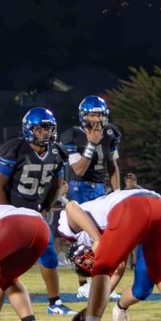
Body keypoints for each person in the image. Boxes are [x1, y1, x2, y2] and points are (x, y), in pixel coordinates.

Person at [58, 187, 161, 321]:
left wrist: (96, 239)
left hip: (131, 207)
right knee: (160, 272)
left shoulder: (69, 231)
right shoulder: (107, 224)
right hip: (159, 205)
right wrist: (92, 307)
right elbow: (118, 269)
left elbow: (70, 207)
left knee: (101, 268)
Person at [0, 107, 71, 316]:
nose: (45, 133)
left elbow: (56, 185)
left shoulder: (56, 152)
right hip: (6, 207)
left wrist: (44, 208)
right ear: (29, 129)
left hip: (32, 211)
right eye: (40, 128)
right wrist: (6, 212)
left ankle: (55, 303)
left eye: (48, 128)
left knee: (49, 254)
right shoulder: (16, 149)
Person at [60, 95, 122, 299]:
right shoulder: (72, 136)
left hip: (100, 189)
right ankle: (83, 284)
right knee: (83, 236)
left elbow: (113, 167)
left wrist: (118, 193)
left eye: (99, 115)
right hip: (80, 187)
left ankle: (100, 280)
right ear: (83, 116)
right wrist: (91, 144)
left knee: (105, 235)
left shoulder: (111, 133)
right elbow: (78, 170)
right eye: (92, 115)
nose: (95, 119)